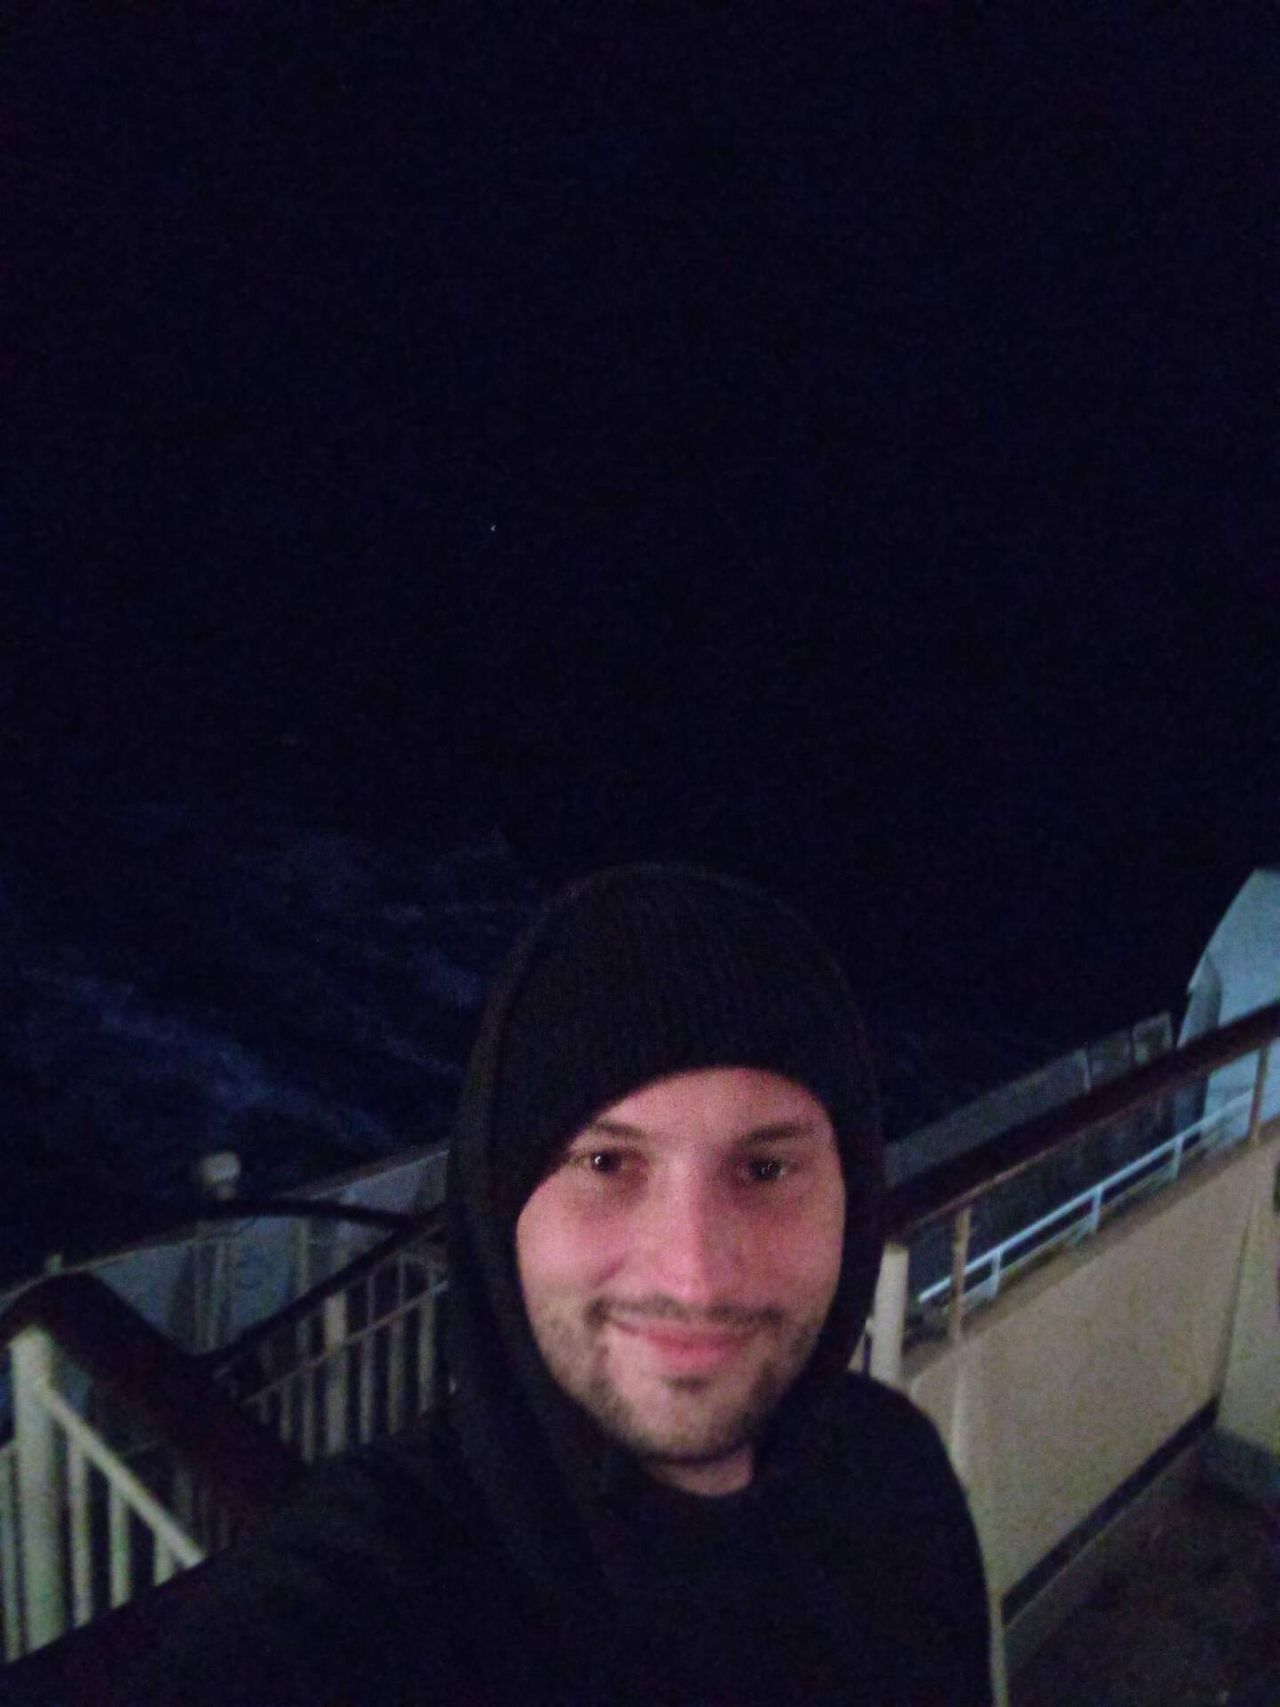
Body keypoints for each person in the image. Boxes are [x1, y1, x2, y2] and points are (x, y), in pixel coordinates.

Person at [83, 864, 995, 1705]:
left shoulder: (899, 1480)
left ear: (851, 1196)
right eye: (606, 1162)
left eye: (765, 1169)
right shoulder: (352, 1616)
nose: (693, 1272)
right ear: (500, 1204)